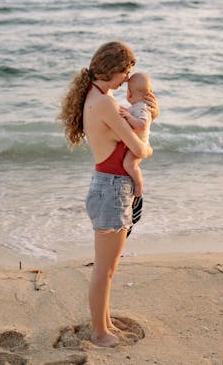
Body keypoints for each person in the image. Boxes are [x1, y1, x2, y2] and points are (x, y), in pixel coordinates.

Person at [58, 41, 159, 347]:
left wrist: (147, 112)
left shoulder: (99, 97)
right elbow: (141, 148)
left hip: (110, 187)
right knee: (105, 269)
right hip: (112, 190)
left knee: (108, 267)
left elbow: (128, 133)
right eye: (125, 74)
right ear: (113, 71)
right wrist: (149, 125)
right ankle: (99, 333)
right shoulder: (105, 104)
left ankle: (104, 322)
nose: (126, 81)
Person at [119, 72, 153, 201]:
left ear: (130, 94)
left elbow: (142, 125)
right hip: (136, 143)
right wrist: (128, 112)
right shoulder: (136, 107)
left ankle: (138, 189)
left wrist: (128, 116)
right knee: (128, 164)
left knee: (129, 165)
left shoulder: (142, 108)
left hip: (140, 144)